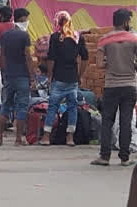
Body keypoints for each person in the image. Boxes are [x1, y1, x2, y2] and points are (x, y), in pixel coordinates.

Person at [92, 9, 137, 166]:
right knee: (126, 121)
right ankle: (124, 158)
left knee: (107, 121)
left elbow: (98, 64)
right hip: (130, 86)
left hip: (111, 85)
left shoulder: (105, 40)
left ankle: (104, 157)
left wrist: (110, 63)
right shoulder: (134, 39)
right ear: (125, 22)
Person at [40, 11, 89, 146]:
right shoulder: (78, 37)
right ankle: (70, 138)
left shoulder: (55, 37)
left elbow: (51, 59)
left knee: (52, 107)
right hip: (72, 79)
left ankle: (46, 137)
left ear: (58, 23)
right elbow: (85, 58)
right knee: (72, 107)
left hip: (58, 78)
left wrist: (50, 76)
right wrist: (80, 75)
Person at [0, 8, 34, 146]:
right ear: (22, 19)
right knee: (22, 107)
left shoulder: (5, 35)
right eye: (26, 19)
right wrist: (32, 76)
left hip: (9, 75)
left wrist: (4, 71)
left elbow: (2, 56)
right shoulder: (25, 36)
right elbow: (28, 57)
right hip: (22, 75)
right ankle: (18, 139)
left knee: (5, 105)